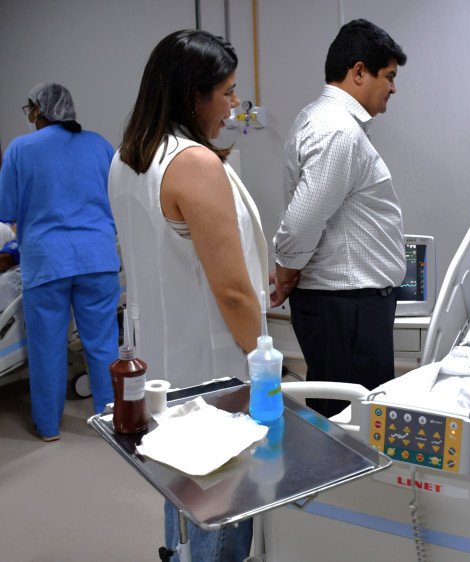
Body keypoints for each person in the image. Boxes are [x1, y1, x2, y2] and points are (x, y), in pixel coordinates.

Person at [108, 29, 267, 562]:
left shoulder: (128, 158)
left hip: (165, 361)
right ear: (191, 94)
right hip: (214, 367)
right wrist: (266, 366)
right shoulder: (193, 164)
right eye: (226, 92)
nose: (234, 105)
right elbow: (232, 292)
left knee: (183, 491)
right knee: (220, 508)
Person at [272, 19, 408, 418]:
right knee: (350, 425)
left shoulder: (322, 118)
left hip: (347, 305)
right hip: (346, 307)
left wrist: (290, 268)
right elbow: (302, 221)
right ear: (359, 71)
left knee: (347, 420)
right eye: (389, 76)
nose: (394, 88)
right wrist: (285, 271)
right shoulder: (338, 131)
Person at [0, 83, 119, 442]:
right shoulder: (99, 144)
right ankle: (113, 422)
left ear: (39, 109)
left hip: (47, 261)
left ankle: (49, 427)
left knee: (47, 346)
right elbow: (117, 197)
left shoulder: (21, 148)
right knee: (102, 344)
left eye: (30, 110)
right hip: (98, 258)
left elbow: (6, 211)